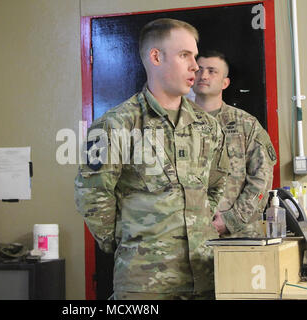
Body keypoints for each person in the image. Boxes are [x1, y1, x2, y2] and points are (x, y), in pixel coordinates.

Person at [74, 19, 229, 300]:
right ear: (156, 57)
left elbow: (216, 185)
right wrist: (129, 240)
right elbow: (92, 195)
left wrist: (198, 225)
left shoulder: (208, 126)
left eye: (194, 55)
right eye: (185, 55)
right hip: (145, 284)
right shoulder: (116, 125)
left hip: (204, 278)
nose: (195, 65)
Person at [192, 50, 277, 237]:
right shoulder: (176, 122)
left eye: (212, 71)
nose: (203, 75)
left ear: (225, 83)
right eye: (199, 70)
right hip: (185, 236)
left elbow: (262, 180)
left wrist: (233, 219)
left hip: (235, 236)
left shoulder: (246, 124)